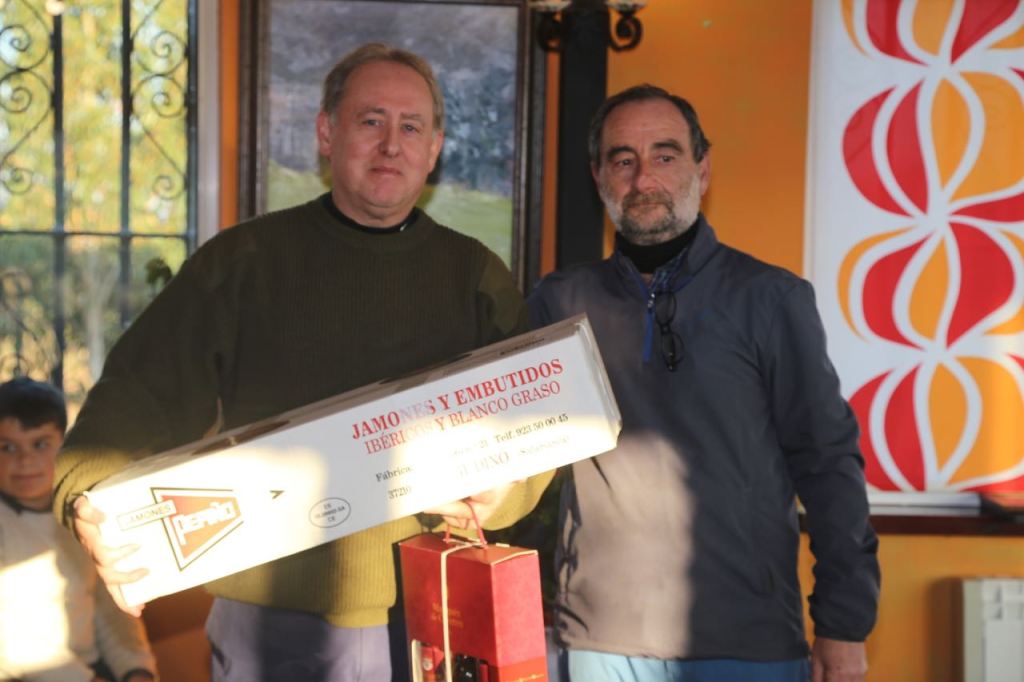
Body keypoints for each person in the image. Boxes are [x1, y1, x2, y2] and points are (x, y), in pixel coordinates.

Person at [52, 43, 550, 682]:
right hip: (267, 622)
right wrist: (89, 495)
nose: (391, 144)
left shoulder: (475, 273)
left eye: (411, 127)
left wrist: (506, 489)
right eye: (370, 121)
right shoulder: (242, 261)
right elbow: (139, 395)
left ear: (434, 150)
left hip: (428, 616)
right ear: (326, 134)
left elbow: (535, 420)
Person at [528, 84, 880, 682]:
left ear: (703, 168)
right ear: (598, 177)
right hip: (598, 639)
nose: (644, 178)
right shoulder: (558, 303)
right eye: (622, 159)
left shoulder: (771, 299)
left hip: (749, 641)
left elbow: (827, 462)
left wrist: (844, 623)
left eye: (664, 155)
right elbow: (519, 457)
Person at [0, 377, 158, 682]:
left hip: (91, 666)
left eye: (40, 444)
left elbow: (109, 609)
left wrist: (136, 668)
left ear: (65, 443)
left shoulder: (84, 517)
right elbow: (10, 642)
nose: (25, 459)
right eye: (7, 447)